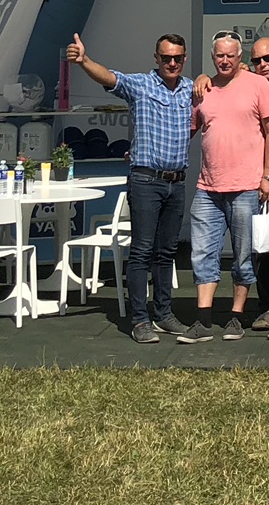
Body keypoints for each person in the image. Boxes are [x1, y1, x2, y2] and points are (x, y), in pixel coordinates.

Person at [66, 31, 193, 344]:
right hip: (146, 180)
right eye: (166, 58)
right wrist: (84, 60)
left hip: (176, 183)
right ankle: (140, 320)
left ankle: (163, 314)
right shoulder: (141, 84)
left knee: (166, 253)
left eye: (177, 58)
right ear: (156, 58)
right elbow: (110, 78)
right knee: (141, 251)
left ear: (184, 58)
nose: (172, 63)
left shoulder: (191, 89)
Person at [181, 34, 269, 342]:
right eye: (219, 56)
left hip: (247, 187)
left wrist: (268, 176)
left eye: (230, 56)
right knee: (202, 254)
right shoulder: (203, 89)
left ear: (240, 57)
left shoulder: (258, 85)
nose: (225, 61)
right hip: (208, 188)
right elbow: (187, 130)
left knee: (243, 256)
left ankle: (236, 317)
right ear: (213, 57)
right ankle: (203, 320)